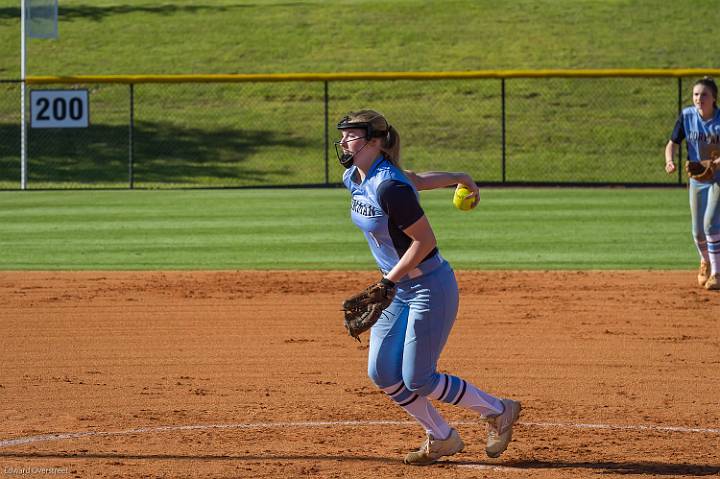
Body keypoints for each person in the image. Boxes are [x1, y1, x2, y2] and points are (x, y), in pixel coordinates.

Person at [335, 109, 521, 466]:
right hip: (395, 288)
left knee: (418, 378)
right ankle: (442, 437)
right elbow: (414, 178)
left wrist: (388, 280)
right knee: (382, 373)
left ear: (374, 141)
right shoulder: (355, 176)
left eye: (352, 135)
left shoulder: (388, 187)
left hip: (427, 286)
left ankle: (499, 411)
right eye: (342, 134)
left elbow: (424, 241)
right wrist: (459, 176)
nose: (344, 140)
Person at [665, 77, 720, 290]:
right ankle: (705, 261)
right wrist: (670, 161)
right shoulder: (687, 116)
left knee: (710, 223)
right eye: (696, 94)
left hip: (718, 178)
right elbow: (672, 144)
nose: (699, 98)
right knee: (697, 231)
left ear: (714, 97)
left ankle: (717, 273)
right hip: (697, 179)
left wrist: (714, 163)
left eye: (704, 94)